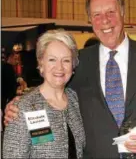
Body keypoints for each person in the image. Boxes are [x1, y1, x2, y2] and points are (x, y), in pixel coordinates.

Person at [4, 0, 136, 159]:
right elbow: (53, 86)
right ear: (90, 20)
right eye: (96, 15)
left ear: (123, 13)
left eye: (111, 12)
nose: (104, 20)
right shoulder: (77, 61)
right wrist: (19, 105)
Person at [3, 29, 85, 158]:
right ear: (41, 63)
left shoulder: (75, 99)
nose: (59, 67)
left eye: (66, 60)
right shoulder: (24, 107)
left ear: (73, 66)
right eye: (52, 59)